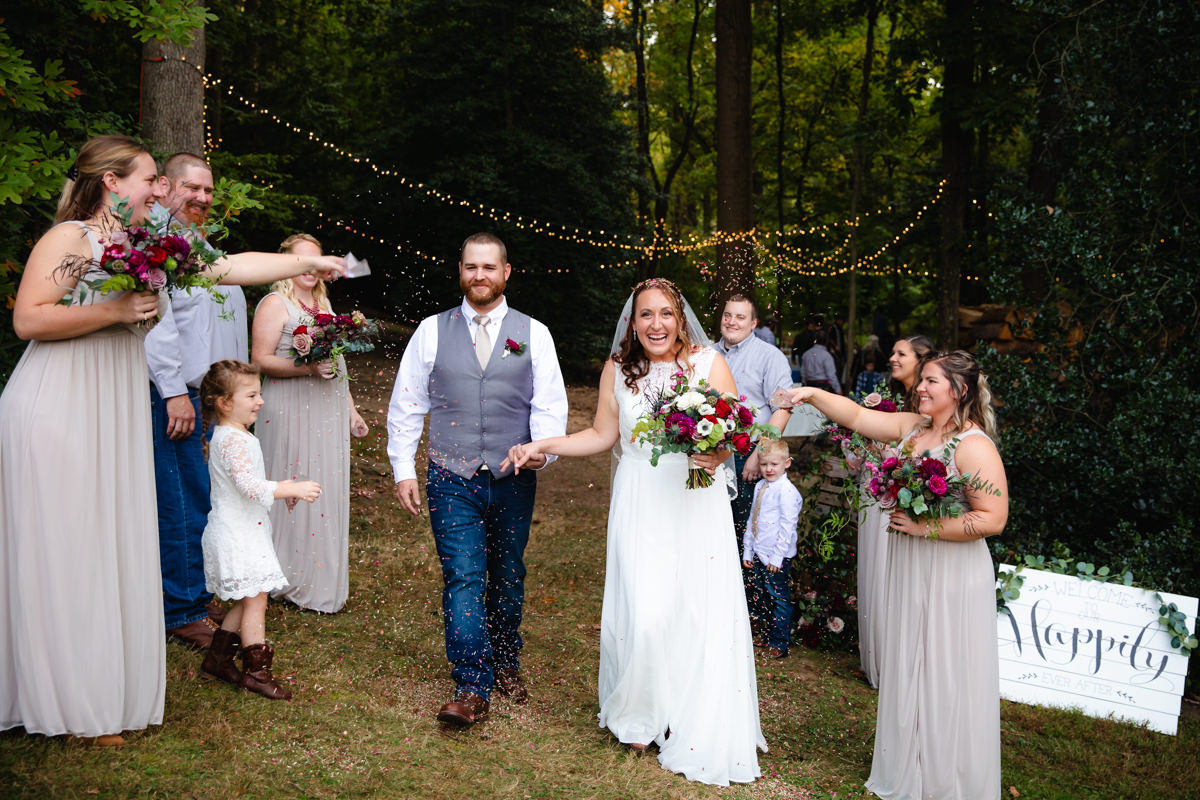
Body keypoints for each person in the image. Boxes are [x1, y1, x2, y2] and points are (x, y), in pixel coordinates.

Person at [0, 134, 343, 746]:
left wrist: (304, 265)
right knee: (64, 542)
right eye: (150, 178)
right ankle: (50, 691)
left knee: (104, 542)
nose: (159, 189)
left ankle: (89, 690)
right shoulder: (71, 239)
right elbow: (29, 317)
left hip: (110, 402)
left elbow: (229, 266)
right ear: (112, 181)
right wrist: (112, 310)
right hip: (59, 401)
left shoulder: (145, 245)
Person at [502, 278, 766, 787]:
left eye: (665, 314)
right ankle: (640, 713)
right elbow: (602, 435)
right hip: (642, 497)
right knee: (645, 610)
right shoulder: (619, 371)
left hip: (695, 500)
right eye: (645, 315)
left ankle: (686, 710)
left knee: (693, 606)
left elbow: (736, 432)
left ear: (680, 318)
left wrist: (718, 451)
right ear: (632, 322)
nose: (656, 324)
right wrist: (543, 445)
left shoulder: (709, 364)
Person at [788, 351, 1008, 800]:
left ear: (959, 391)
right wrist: (810, 393)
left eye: (931, 382)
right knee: (910, 659)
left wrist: (927, 526)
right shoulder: (913, 428)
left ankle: (948, 776)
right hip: (911, 563)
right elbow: (855, 415)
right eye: (921, 381)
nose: (920, 388)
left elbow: (992, 519)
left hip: (952, 572)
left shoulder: (973, 445)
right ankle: (911, 762)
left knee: (945, 667)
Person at [386, 232, 568, 727]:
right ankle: (472, 683)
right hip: (451, 473)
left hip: (512, 476)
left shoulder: (535, 333)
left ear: (506, 272)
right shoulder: (430, 330)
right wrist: (403, 467)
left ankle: (506, 659)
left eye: (489, 267)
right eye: (471, 267)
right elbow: (406, 404)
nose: (479, 276)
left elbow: (550, 406)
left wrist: (541, 455)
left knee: (507, 576)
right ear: (460, 271)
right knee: (464, 576)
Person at [146, 153, 250, 650]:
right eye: (194, 188)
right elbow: (157, 327)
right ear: (165, 185)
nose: (204, 199)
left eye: (210, 191)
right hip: (165, 392)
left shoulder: (197, 244)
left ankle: (191, 591)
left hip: (195, 392)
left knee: (198, 494)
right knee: (182, 500)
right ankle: (183, 610)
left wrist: (213, 394)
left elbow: (205, 330)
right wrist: (173, 393)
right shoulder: (153, 245)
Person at [253, 234, 368, 614]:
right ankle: (279, 577)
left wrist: (351, 410)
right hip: (289, 407)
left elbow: (339, 364)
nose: (310, 268)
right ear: (286, 264)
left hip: (327, 408)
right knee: (291, 480)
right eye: (301, 260)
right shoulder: (275, 303)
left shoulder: (324, 304)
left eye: (316, 260)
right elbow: (259, 361)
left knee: (324, 485)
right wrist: (305, 366)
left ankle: (317, 578)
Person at [197, 360, 321, 700]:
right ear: (224, 402)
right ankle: (256, 672)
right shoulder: (234, 440)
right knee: (257, 600)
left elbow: (248, 489)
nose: (260, 401)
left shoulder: (235, 435)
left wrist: (281, 491)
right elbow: (248, 487)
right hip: (237, 533)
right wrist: (289, 489)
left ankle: (219, 659)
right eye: (251, 395)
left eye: (260, 393)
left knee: (251, 595)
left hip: (245, 528)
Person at [855, 333, 932, 688]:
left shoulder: (930, 402)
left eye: (901, 353)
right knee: (876, 572)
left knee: (896, 577)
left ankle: (902, 662)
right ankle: (880, 656)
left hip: (905, 503)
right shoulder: (889, 399)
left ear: (922, 358)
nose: (893, 358)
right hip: (876, 493)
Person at [712, 295, 793, 624]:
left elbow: (783, 407)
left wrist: (760, 452)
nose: (731, 322)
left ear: (754, 323)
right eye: (727, 315)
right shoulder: (707, 353)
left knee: (747, 534)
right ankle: (715, 601)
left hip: (749, 453)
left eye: (740, 317)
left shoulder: (769, 356)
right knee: (713, 526)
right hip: (707, 451)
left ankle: (752, 614)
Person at [740, 437, 802, 660]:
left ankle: (779, 642)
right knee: (763, 596)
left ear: (787, 463)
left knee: (779, 599)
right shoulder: (760, 486)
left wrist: (777, 558)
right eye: (764, 464)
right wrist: (748, 550)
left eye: (774, 464)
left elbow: (787, 527)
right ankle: (766, 635)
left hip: (776, 557)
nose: (768, 469)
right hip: (758, 552)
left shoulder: (786, 491)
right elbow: (752, 520)